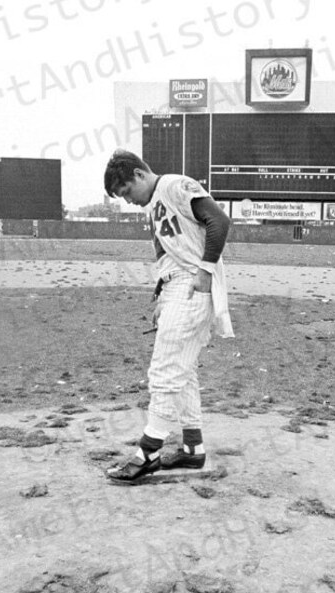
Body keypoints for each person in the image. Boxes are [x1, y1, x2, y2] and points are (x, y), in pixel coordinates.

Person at [102, 150, 234, 484]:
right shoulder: (154, 206)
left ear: (138, 174)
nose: (128, 200)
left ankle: (148, 453)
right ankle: (193, 449)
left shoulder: (174, 185)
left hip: (192, 285)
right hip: (177, 286)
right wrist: (162, 296)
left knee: (164, 371)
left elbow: (219, 221)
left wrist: (205, 270)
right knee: (183, 371)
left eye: (126, 191)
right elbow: (169, 256)